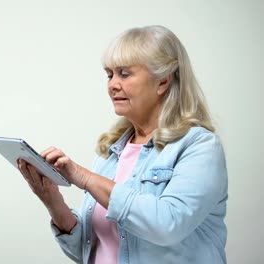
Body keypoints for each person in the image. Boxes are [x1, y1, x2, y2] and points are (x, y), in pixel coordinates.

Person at [17, 25, 228, 264]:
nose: (112, 85)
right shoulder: (112, 151)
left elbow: (167, 224)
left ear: (163, 81)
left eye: (124, 74)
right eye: (110, 74)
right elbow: (90, 250)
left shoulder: (199, 146)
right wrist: (53, 201)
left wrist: (83, 177)